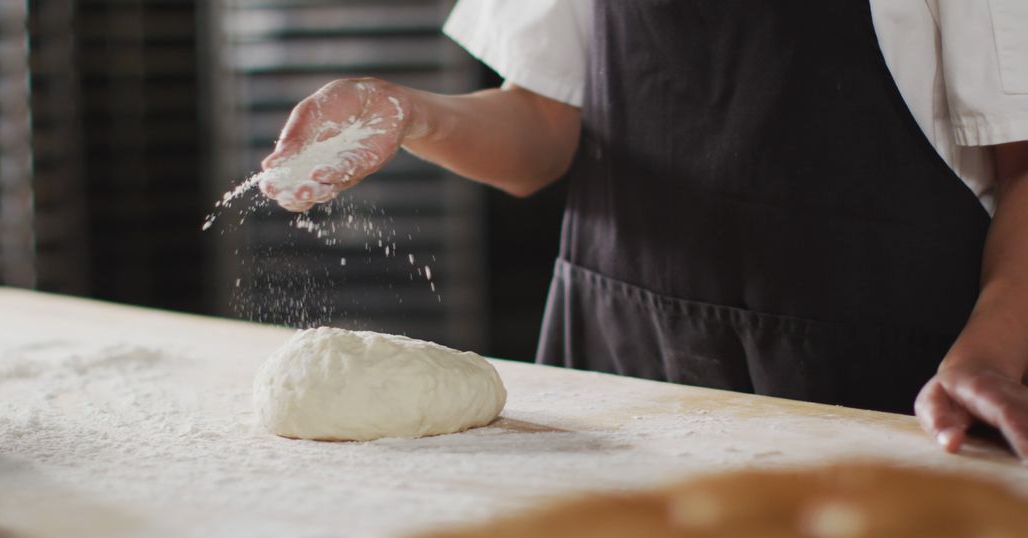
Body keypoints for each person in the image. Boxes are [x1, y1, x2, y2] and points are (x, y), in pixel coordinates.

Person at [258, 0, 1028, 458]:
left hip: (874, 391)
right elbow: (538, 129)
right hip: (622, 375)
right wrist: (410, 113)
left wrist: (990, 356)